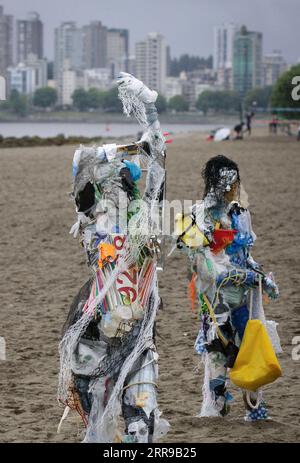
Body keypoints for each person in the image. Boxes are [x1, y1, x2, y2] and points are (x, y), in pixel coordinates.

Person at [57, 73, 169, 443]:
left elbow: (160, 154)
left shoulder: (148, 218)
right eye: (111, 181)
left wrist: (149, 106)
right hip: (95, 336)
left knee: (142, 426)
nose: (118, 184)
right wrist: (119, 153)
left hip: (137, 338)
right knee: (96, 428)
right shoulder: (93, 221)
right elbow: (79, 165)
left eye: (125, 181)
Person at [175, 155, 279, 421]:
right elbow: (201, 265)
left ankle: (255, 408)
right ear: (215, 182)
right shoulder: (198, 216)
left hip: (243, 298)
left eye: (235, 179)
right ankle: (216, 406)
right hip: (215, 300)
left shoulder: (241, 215)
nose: (233, 185)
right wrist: (237, 275)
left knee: (250, 346)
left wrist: (261, 278)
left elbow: (246, 254)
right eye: (228, 180)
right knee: (217, 350)